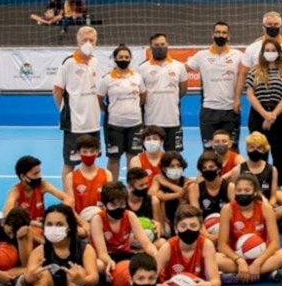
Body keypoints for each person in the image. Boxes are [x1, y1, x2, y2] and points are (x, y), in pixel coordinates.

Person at [23, 204, 100, 286]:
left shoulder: (85, 249)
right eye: (49, 224)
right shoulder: (39, 251)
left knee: (75, 274)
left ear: (69, 227)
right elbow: (26, 281)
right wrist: (29, 278)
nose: (53, 228)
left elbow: (94, 278)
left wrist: (82, 280)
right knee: (40, 275)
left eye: (59, 224)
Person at [216, 173, 282, 283]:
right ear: (235, 192)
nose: (242, 193)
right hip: (235, 256)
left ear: (255, 192)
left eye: (247, 190)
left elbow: (275, 243)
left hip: (262, 256)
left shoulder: (265, 208)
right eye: (239, 190)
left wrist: (258, 262)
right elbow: (222, 245)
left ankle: (239, 276)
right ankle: (264, 274)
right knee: (214, 258)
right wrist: (239, 261)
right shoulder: (227, 209)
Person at [155, 207, 225, 286]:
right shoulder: (168, 247)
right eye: (183, 226)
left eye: (193, 226)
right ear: (176, 228)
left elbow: (216, 281)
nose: (188, 230)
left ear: (200, 228)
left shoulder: (206, 245)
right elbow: (151, 278)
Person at [54, 26, 101, 179]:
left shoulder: (95, 61)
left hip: (93, 122)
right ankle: (69, 197)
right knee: (70, 163)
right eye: (84, 40)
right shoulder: (68, 63)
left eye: (91, 40)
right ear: (78, 41)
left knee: (91, 161)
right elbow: (57, 90)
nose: (88, 43)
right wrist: (64, 110)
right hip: (75, 123)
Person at [187, 22, 243, 148]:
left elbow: (248, 72)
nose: (220, 35)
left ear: (229, 36)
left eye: (224, 32)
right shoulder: (201, 55)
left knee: (232, 150)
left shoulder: (238, 55)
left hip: (231, 110)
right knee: (209, 152)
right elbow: (181, 69)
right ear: (212, 35)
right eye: (218, 32)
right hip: (209, 111)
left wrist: (237, 99)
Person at [89, 182, 157, 279]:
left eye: (121, 204)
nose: (118, 208)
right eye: (113, 205)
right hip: (107, 257)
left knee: (149, 259)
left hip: (125, 255)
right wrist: (109, 262)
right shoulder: (97, 219)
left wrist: (156, 256)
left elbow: (146, 244)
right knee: (98, 265)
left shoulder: (130, 216)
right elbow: (102, 253)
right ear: (104, 205)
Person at [246, 39, 282, 175]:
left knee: (278, 152)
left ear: (279, 53)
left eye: (273, 50)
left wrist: (273, 116)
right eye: (267, 50)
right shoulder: (254, 71)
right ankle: (259, 180)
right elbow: (250, 95)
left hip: (279, 116)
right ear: (262, 53)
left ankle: (277, 184)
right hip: (258, 115)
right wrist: (264, 115)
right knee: (259, 150)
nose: (270, 53)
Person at [97, 45, 144, 181]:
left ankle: (133, 187)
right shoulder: (107, 79)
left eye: (126, 57)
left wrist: (132, 107)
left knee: (133, 158)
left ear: (131, 59)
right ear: (115, 59)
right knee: (114, 158)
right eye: (120, 57)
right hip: (114, 125)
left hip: (135, 124)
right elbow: (99, 98)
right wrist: (107, 109)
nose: (124, 59)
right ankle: (112, 188)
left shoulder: (137, 77)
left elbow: (143, 95)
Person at [236, 11, 282, 116]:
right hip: (258, 104)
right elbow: (243, 74)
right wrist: (237, 98)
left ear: (281, 26)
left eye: (276, 24)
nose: (273, 27)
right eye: (269, 25)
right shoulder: (253, 48)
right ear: (263, 27)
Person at [141, 33, 189, 153]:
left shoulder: (179, 66)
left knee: (173, 156)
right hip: (151, 120)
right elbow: (141, 94)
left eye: (162, 44)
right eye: (156, 45)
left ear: (167, 45)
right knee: (151, 154)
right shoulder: (142, 68)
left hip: (173, 120)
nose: (160, 47)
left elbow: (182, 90)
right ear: (150, 46)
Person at [228, 132, 282, 221]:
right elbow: (233, 196)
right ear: (247, 148)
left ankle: (260, 222)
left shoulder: (272, 170)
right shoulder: (237, 170)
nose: (255, 150)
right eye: (251, 147)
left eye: (259, 148)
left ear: (264, 150)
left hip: (264, 208)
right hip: (244, 208)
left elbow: (273, 196)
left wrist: (268, 207)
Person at [2, 155, 70, 226]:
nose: (39, 176)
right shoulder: (15, 192)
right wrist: (30, 223)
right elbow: (6, 213)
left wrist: (55, 214)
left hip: (42, 226)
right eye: (35, 174)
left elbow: (68, 199)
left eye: (39, 172)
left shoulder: (42, 185)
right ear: (23, 176)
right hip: (24, 228)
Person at [62, 134, 110, 217]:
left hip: (102, 219)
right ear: (78, 153)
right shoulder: (70, 177)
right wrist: (82, 223)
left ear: (97, 152)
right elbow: (70, 207)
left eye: (92, 151)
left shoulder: (107, 174)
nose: (88, 155)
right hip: (80, 222)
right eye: (84, 151)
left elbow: (109, 203)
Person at [0, 208, 33, 284]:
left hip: (14, 269)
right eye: (9, 233)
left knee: (30, 269)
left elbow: (25, 264)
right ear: (4, 223)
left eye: (15, 235)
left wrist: (20, 239)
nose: (11, 237)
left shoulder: (27, 231)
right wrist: (0, 275)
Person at [189, 151, 234, 230]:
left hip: (228, 227)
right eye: (204, 168)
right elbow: (196, 216)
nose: (208, 170)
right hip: (203, 229)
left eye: (211, 167)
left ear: (219, 169)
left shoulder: (230, 188)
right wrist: (206, 235)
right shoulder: (195, 189)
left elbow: (235, 214)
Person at [151, 151, 191, 238]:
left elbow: (189, 195)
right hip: (164, 217)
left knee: (184, 200)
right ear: (165, 168)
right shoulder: (158, 179)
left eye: (178, 165)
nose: (176, 168)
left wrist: (168, 185)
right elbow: (151, 193)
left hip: (180, 215)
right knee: (158, 197)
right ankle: (161, 232)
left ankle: (178, 227)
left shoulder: (186, 181)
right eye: (172, 166)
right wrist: (178, 194)